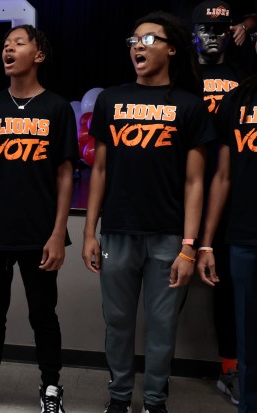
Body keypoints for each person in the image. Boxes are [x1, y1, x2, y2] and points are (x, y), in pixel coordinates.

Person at [81, 11, 216, 413]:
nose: (138, 46)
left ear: (171, 48)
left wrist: (190, 247)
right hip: (118, 231)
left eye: (149, 39)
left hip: (169, 237)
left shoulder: (190, 107)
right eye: (133, 41)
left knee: (162, 327)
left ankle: (155, 400)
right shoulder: (110, 99)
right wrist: (90, 232)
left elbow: (196, 183)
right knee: (118, 324)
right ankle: (119, 398)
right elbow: (100, 169)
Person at [0, 25, 77, 413]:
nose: (8, 49)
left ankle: (50, 387)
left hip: (40, 232)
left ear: (39, 54)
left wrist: (60, 232)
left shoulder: (58, 108)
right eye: (5, 45)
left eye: (18, 43)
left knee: (43, 314)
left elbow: (65, 174)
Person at [192, 0, 250, 406]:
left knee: (232, 289)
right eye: (206, 28)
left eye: (222, 28)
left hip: (232, 196)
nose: (213, 35)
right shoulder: (182, 76)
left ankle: (231, 369)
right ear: (192, 32)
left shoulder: (242, 80)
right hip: (184, 194)